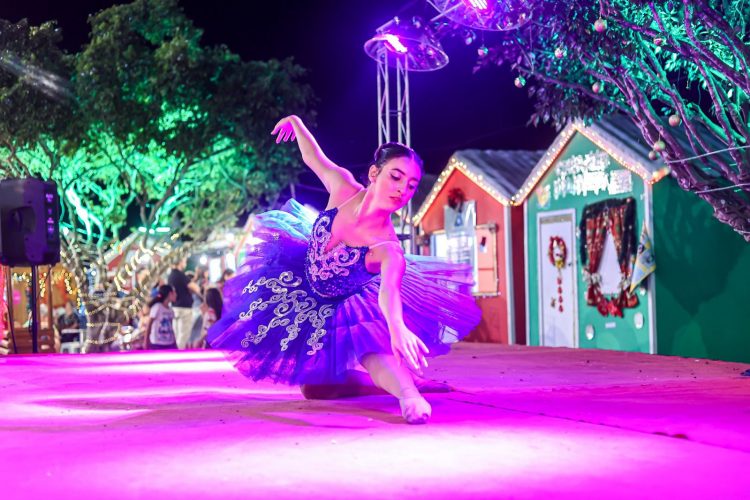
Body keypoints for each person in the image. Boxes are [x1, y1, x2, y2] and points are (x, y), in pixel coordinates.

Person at [207, 115, 481, 424]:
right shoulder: (343, 187)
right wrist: (296, 123)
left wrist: (397, 327)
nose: (402, 190)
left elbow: (389, 292)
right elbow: (313, 157)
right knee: (315, 389)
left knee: (373, 350)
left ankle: (409, 393)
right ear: (374, 173)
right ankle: (395, 384)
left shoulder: (387, 247)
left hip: (347, 301)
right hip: (301, 284)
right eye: (396, 177)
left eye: (411, 185)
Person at [168, 258, 201, 349]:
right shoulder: (180, 275)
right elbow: (196, 288)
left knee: (177, 335)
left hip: (175, 307)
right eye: (184, 261)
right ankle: (178, 354)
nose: (185, 263)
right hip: (184, 308)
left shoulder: (171, 275)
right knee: (183, 336)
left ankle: (175, 353)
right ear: (180, 262)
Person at [143, 284, 177, 350]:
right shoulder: (157, 307)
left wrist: (174, 342)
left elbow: (171, 328)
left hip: (169, 343)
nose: (176, 295)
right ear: (170, 294)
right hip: (157, 343)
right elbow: (149, 325)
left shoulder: (171, 310)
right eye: (174, 293)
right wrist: (146, 341)